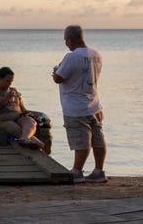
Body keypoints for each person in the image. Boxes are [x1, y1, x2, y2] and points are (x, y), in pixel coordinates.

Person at [50, 26, 106, 183]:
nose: (66, 43)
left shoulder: (71, 56)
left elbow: (59, 78)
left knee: (81, 141)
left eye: (65, 40)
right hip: (94, 104)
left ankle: (76, 171)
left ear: (70, 39)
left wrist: (55, 71)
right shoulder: (96, 55)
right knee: (98, 139)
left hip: (75, 107)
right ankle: (98, 171)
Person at [0, 67, 46, 151]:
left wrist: (28, 114)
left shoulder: (14, 91)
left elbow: (23, 109)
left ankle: (25, 139)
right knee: (12, 126)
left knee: (30, 121)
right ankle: (41, 145)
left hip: (17, 117)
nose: (10, 84)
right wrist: (5, 98)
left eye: (11, 81)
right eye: (7, 81)